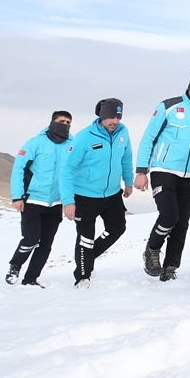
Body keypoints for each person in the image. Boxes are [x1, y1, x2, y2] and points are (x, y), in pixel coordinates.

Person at [134, 71, 190, 282]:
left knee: (182, 223)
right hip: (163, 170)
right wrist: (141, 171)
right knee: (169, 216)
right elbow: (149, 138)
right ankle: (152, 249)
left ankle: (170, 267)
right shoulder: (168, 106)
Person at [60, 98, 134, 288]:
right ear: (102, 116)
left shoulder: (123, 132)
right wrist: (68, 201)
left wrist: (128, 181)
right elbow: (67, 169)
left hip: (112, 194)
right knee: (85, 237)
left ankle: (88, 258)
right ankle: (82, 277)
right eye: (111, 117)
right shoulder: (84, 137)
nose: (115, 121)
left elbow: (126, 157)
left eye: (118, 117)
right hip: (85, 196)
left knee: (117, 228)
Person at [5, 110, 73, 287]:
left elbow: (75, 172)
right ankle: (15, 265)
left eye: (68, 122)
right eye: (61, 121)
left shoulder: (72, 146)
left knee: (46, 244)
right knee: (31, 239)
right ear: (52, 122)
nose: (65, 125)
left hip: (56, 202)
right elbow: (19, 169)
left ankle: (31, 279)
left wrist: (71, 200)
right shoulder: (35, 143)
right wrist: (17, 196)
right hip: (33, 199)